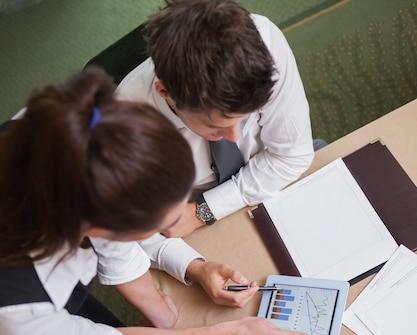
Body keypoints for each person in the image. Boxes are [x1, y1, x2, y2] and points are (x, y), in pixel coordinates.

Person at [0, 68, 306, 335]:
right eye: (161, 225)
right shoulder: (22, 313)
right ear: (104, 226)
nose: (173, 228)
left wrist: (181, 282)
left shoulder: (76, 140)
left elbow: (121, 240)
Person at [117, 0, 317, 240]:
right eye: (216, 126)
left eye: (245, 118)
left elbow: (292, 156)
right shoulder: (125, 122)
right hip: (182, 209)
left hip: (270, 171)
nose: (235, 136)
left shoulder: (264, 45)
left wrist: (204, 211)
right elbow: (135, 224)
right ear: (166, 93)